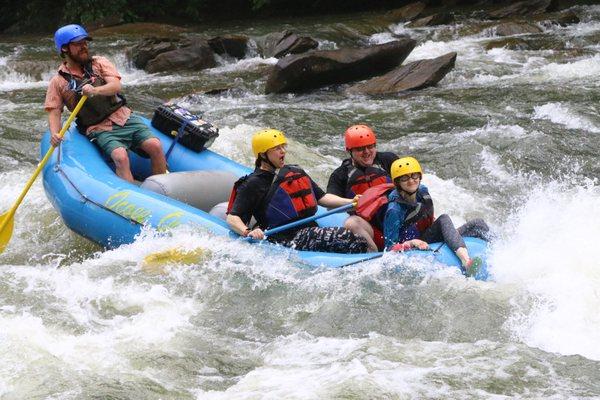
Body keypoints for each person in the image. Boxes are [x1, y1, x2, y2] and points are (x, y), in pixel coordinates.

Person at [44, 24, 166, 182]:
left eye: (85, 43)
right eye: (78, 44)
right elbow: (54, 111)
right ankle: (129, 200)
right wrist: (55, 133)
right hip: (98, 127)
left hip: (123, 117)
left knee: (155, 146)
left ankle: (162, 191)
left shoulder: (99, 63)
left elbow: (115, 86)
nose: (84, 47)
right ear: (65, 49)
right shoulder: (58, 82)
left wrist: (95, 90)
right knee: (120, 156)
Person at [226, 129, 368, 254]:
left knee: (359, 237)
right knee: (351, 239)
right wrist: (248, 232)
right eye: (277, 148)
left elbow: (322, 198)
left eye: (283, 146)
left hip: (309, 230)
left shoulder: (293, 172)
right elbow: (232, 218)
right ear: (263, 155)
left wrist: (351, 202)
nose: (283, 151)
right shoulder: (253, 183)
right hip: (285, 238)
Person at [360, 157, 489, 276]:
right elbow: (389, 248)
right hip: (415, 243)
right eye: (404, 178)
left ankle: (498, 253)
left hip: (427, 236)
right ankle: (466, 262)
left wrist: (447, 232)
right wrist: (410, 243)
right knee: (444, 218)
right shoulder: (394, 210)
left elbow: (429, 219)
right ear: (397, 182)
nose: (411, 181)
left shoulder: (422, 191)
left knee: (479, 224)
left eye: (414, 176)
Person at [326, 124, 399, 252]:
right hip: (374, 231)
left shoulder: (388, 160)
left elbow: (411, 182)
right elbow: (329, 202)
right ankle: (373, 254)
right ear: (350, 151)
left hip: (398, 222)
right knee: (352, 222)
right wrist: (351, 202)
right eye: (360, 149)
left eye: (370, 146)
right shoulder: (341, 175)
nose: (367, 152)